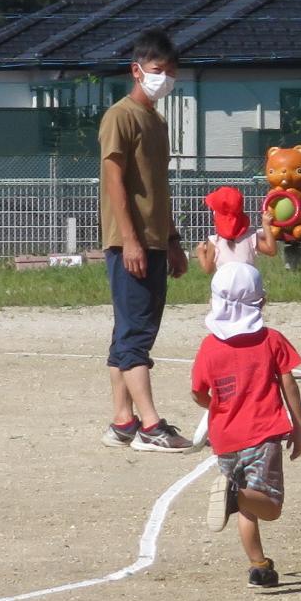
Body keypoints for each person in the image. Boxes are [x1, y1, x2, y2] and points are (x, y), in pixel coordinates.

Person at [100, 29, 194, 452]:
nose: (165, 78)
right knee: (136, 333)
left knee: (130, 330)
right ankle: (151, 427)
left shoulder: (156, 120)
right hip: (130, 243)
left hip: (156, 239)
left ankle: (123, 421)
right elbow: (114, 180)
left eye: (171, 72)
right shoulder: (120, 116)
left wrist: (171, 238)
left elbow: (158, 187)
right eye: (158, 71)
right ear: (136, 70)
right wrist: (131, 241)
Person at [190, 260, 301, 589]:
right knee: (268, 505)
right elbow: (290, 385)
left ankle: (259, 565)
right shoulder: (271, 340)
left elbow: (198, 393)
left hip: (226, 439)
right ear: (261, 302)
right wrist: (297, 426)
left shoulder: (210, 346)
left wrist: (218, 407)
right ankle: (234, 495)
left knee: (248, 506)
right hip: (263, 434)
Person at [194, 185, 276, 276]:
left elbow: (208, 269)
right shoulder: (250, 236)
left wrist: (200, 252)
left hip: (224, 285)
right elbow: (271, 250)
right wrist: (266, 226)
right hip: (249, 281)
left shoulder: (214, 241)